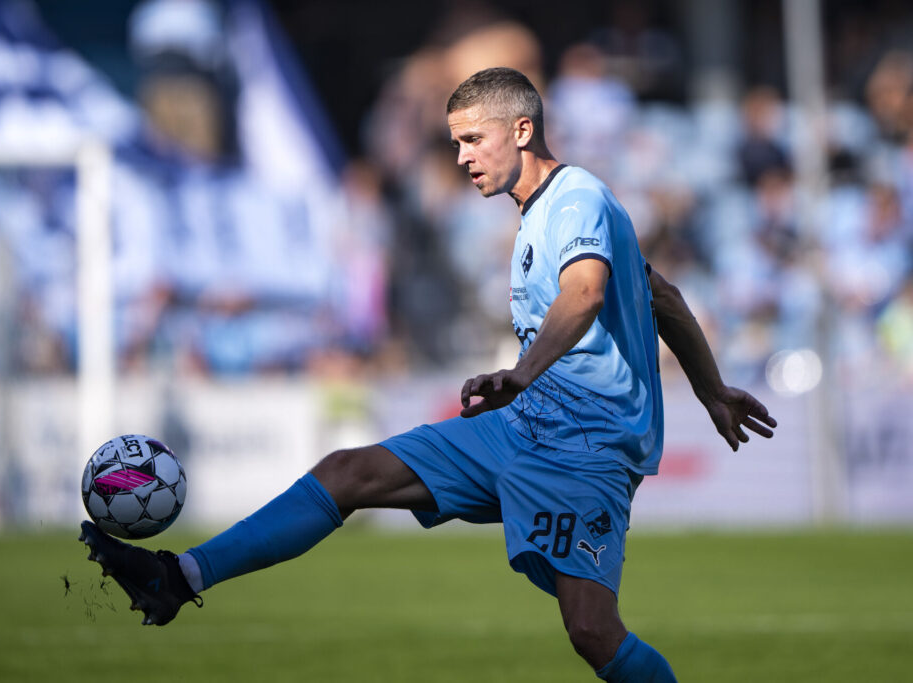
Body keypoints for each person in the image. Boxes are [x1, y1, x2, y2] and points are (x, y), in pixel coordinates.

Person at [80, 67, 776, 681]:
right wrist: (710, 389)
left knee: (592, 632)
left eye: (474, 139)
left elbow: (586, 294)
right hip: (522, 427)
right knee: (347, 471)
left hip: (584, 445)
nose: (462, 156)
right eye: (455, 142)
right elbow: (665, 298)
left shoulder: (576, 200)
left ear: (523, 129)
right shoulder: (541, 213)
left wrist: (522, 371)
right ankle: (180, 575)